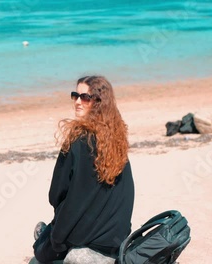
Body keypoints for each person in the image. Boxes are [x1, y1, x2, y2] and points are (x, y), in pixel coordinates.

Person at [32, 76, 135, 263]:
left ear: (98, 102)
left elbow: (55, 194)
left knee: (42, 249)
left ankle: (44, 234)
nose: (78, 102)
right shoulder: (117, 140)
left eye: (85, 97)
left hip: (86, 236)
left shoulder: (77, 140)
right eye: (75, 96)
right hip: (116, 235)